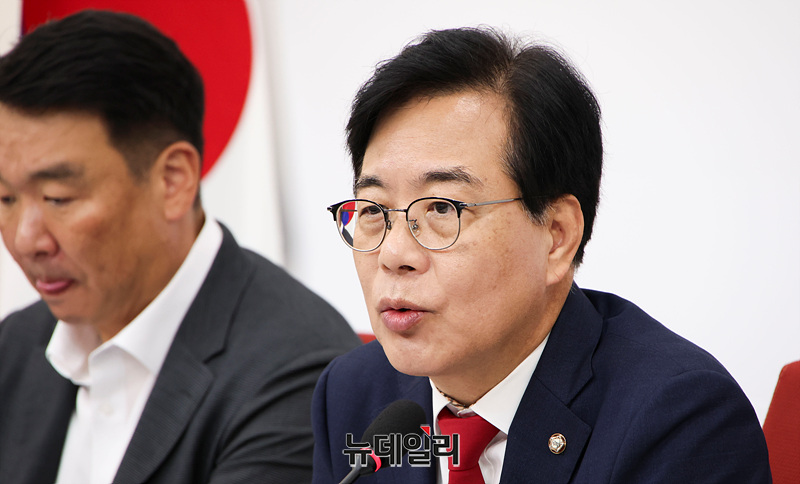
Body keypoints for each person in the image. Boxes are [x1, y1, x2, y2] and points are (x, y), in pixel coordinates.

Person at [312, 27, 771, 483]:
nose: (393, 254)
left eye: (442, 208)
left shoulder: (678, 419)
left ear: (557, 236)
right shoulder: (352, 394)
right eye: (372, 209)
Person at [0, 10, 360, 484]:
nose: (25, 239)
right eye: (5, 198)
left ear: (172, 180)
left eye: (58, 198)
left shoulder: (297, 373)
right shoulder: (17, 345)